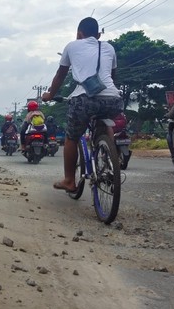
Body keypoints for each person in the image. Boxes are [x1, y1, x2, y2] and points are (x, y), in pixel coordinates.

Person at [41, 17, 123, 193]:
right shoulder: (108, 47)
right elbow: (112, 75)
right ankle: (109, 156)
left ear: (79, 33)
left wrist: (50, 95)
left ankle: (70, 180)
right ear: (99, 34)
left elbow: (60, 75)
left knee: (72, 137)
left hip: (84, 99)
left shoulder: (72, 46)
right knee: (104, 120)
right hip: (113, 99)